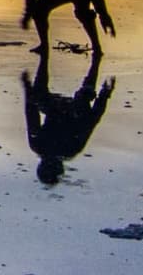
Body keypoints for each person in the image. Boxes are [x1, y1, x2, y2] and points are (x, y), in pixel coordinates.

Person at [22, 49, 114, 186]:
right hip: (71, 111)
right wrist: (104, 96)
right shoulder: (66, 149)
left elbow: (32, 115)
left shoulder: (43, 146)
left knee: (41, 95)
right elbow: (90, 122)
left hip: (57, 110)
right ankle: (93, 69)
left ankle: (91, 70)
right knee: (84, 97)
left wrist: (28, 90)